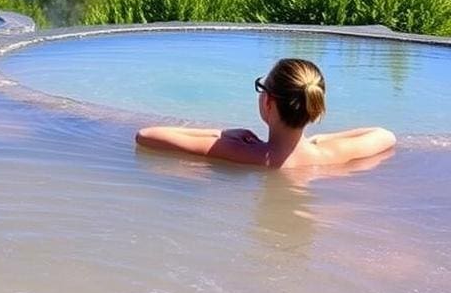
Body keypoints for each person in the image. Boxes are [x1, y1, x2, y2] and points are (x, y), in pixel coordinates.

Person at [135, 58, 396, 168]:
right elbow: (385, 135)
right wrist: (318, 141)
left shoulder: (243, 152)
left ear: (268, 103)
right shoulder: (330, 155)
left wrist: (221, 133)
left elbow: (146, 135)